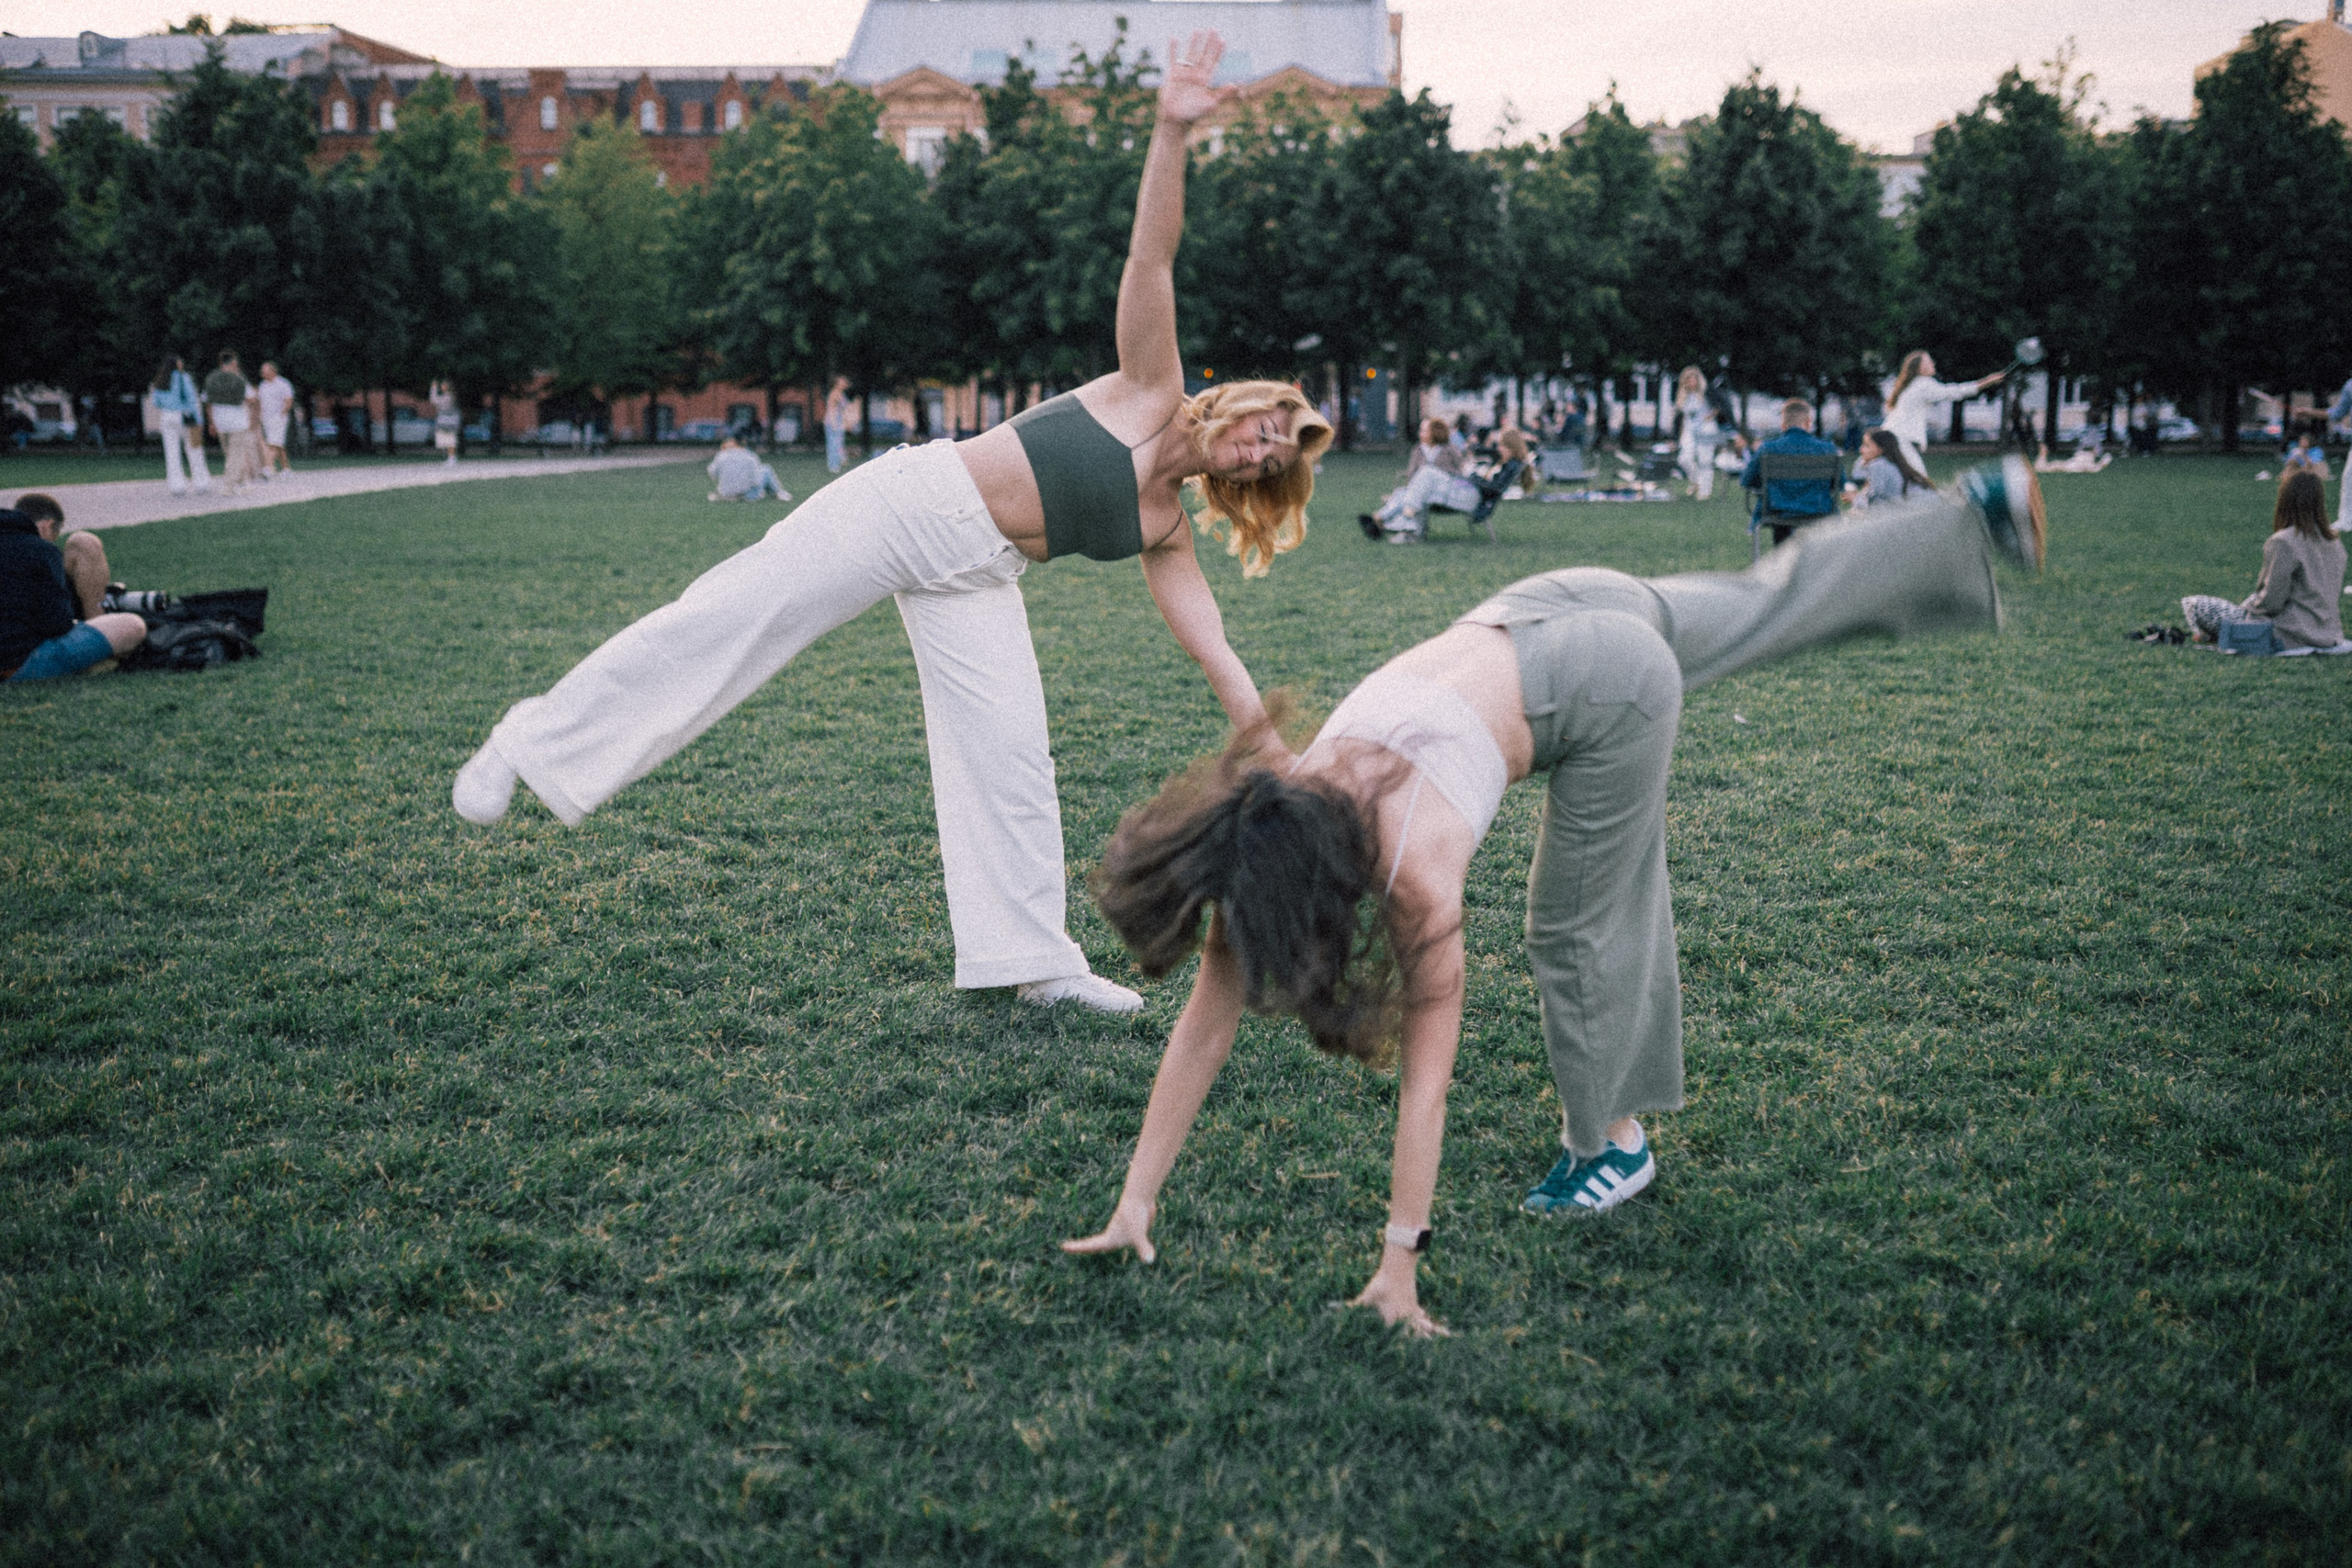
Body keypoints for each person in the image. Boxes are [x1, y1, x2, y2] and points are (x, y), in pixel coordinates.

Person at [450, 30, 1333, 1017]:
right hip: (909, 504)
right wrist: (1171, 130)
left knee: (1008, 754)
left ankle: (1030, 958)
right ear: (1244, 402)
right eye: (1267, 427)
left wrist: (1271, 747)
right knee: (732, 618)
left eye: (1274, 459)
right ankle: (530, 742)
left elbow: (1213, 647)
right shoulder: (1147, 387)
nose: (1259, 450)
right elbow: (1151, 255)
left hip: (979, 571)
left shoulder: (1164, 526)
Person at [1062, 461, 2048, 1336]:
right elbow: (1204, 1023)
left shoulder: (1414, 880)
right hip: (1548, 604)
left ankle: (1607, 1147)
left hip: (1608, 685)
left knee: (1572, 927)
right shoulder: (1279, 812)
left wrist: (1398, 1261)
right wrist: (1133, 1204)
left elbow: (1426, 1083)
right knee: (1764, 600)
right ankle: (1964, 518)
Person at [2179, 471, 2346, 651]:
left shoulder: (2284, 541)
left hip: (2288, 631)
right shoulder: (2334, 542)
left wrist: (2248, 608)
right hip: (2327, 632)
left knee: (2193, 604)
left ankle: (2210, 634)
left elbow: (2271, 601)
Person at [1, 494, 151, 682]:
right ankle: (97, 656)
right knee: (132, 625)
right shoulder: (40, 550)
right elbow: (57, 624)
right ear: (47, 526)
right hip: (19, 666)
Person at [1361, 429, 1529, 541]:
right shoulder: (1503, 461)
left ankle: (1401, 521)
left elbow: (1494, 489)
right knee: (1409, 490)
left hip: (1473, 499)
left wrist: (1472, 476)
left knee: (1427, 473)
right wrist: (1475, 470)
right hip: (1467, 492)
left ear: (1512, 447)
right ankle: (1388, 520)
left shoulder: (1512, 465)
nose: (1498, 449)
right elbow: (1479, 451)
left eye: (1502, 445)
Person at [1739, 399, 1842, 547]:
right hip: (1819, 509)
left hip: (1777, 511)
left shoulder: (1767, 449)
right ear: (1808, 422)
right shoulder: (1828, 449)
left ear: (1783, 425)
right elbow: (1838, 483)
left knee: (1781, 514)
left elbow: (1747, 480)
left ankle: (1784, 561)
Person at [1883, 351, 2006, 470]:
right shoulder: (1923, 384)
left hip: (1891, 438)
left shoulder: (1912, 385)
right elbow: (1954, 391)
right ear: (1920, 368)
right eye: (1929, 361)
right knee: (1918, 479)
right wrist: (1987, 382)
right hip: (1901, 441)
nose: (1933, 363)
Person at [150, 355, 210, 495]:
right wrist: (199, 421)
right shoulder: (183, 378)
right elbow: (192, 400)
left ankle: (177, 486)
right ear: (176, 364)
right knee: (194, 449)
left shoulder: (160, 381)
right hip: (185, 416)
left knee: (172, 452)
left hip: (167, 417)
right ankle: (201, 483)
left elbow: (156, 402)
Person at [204, 352, 259, 490]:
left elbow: (207, 403)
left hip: (220, 421)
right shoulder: (238, 379)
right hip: (238, 421)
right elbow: (252, 399)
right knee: (236, 454)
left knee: (229, 453)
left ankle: (241, 481)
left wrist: (211, 422)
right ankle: (230, 485)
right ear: (233, 363)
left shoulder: (212, 380)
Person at [1673, 367, 1721, 502]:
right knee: (1684, 459)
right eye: (1687, 380)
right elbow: (1683, 417)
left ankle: (1705, 492)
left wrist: (1708, 417)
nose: (1690, 382)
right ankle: (1696, 482)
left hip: (1707, 428)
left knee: (1705, 460)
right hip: (1690, 429)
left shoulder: (1707, 392)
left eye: (1692, 379)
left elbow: (1719, 407)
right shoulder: (1684, 396)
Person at [1852, 427, 1934, 505]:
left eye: (1867, 446)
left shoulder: (1878, 465)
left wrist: (1855, 499)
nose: (1861, 449)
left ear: (1880, 449)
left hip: (1920, 509)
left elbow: (1876, 504)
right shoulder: (1891, 463)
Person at [707, 436, 790, 502]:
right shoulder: (750, 456)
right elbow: (756, 480)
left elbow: (712, 472)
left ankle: (776, 492)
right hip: (747, 495)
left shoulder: (721, 456)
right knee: (766, 470)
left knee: (763, 472)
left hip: (726, 494)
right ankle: (778, 492)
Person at [256, 363, 297, 476]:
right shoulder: (263, 385)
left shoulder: (283, 384)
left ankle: (267, 468)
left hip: (279, 418)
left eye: (265, 371)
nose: (262, 373)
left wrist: (281, 415)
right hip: (266, 418)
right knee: (278, 443)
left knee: (273, 443)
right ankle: (286, 469)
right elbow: (260, 402)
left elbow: (289, 401)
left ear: (273, 371)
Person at [823, 377, 853, 475]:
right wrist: (834, 424)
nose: (845, 383)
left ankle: (838, 464)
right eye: (842, 381)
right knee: (833, 444)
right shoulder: (834, 394)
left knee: (838, 443)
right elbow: (831, 410)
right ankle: (833, 466)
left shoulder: (841, 394)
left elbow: (844, 410)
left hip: (839, 421)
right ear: (837, 383)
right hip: (833, 421)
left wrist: (846, 422)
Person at [430, 380, 461, 465]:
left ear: (447, 387)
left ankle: (452, 458)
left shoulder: (448, 397)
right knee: (448, 439)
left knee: (450, 439)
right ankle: (450, 458)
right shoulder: (449, 396)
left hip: (447, 420)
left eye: (443, 385)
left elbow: (434, 400)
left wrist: (434, 388)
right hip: (448, 419)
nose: (442, 387)